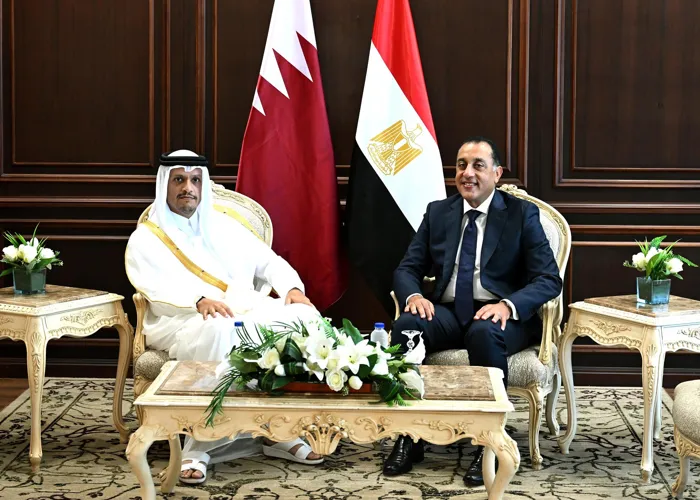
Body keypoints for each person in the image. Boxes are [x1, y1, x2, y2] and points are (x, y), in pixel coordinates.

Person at [125, 150, 324, 485]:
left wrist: (292, 288)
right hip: (181, 320)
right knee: (220, 331)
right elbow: (153, 287)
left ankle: (279, 431)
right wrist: (198, 300)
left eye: (195, 180)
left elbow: (269, 262)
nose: (188, 188)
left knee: (305, 317)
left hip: (240, 307)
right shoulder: (147, 237)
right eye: (179, 180)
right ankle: (199, 445)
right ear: (165, 185)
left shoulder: (226, 225)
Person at [387, 137, 562, 485]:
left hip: (502, 315)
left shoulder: (521, 214)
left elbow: (548, 279)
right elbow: (407, 268)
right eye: (461, 165)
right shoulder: (439, 212)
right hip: (449, 310)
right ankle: (410, 433)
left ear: (497, 173)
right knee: (407, 326)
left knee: (484, 331)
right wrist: (414, 297)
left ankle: (489, 442)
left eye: (478, 165)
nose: (468, 173)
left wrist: (508, 305)